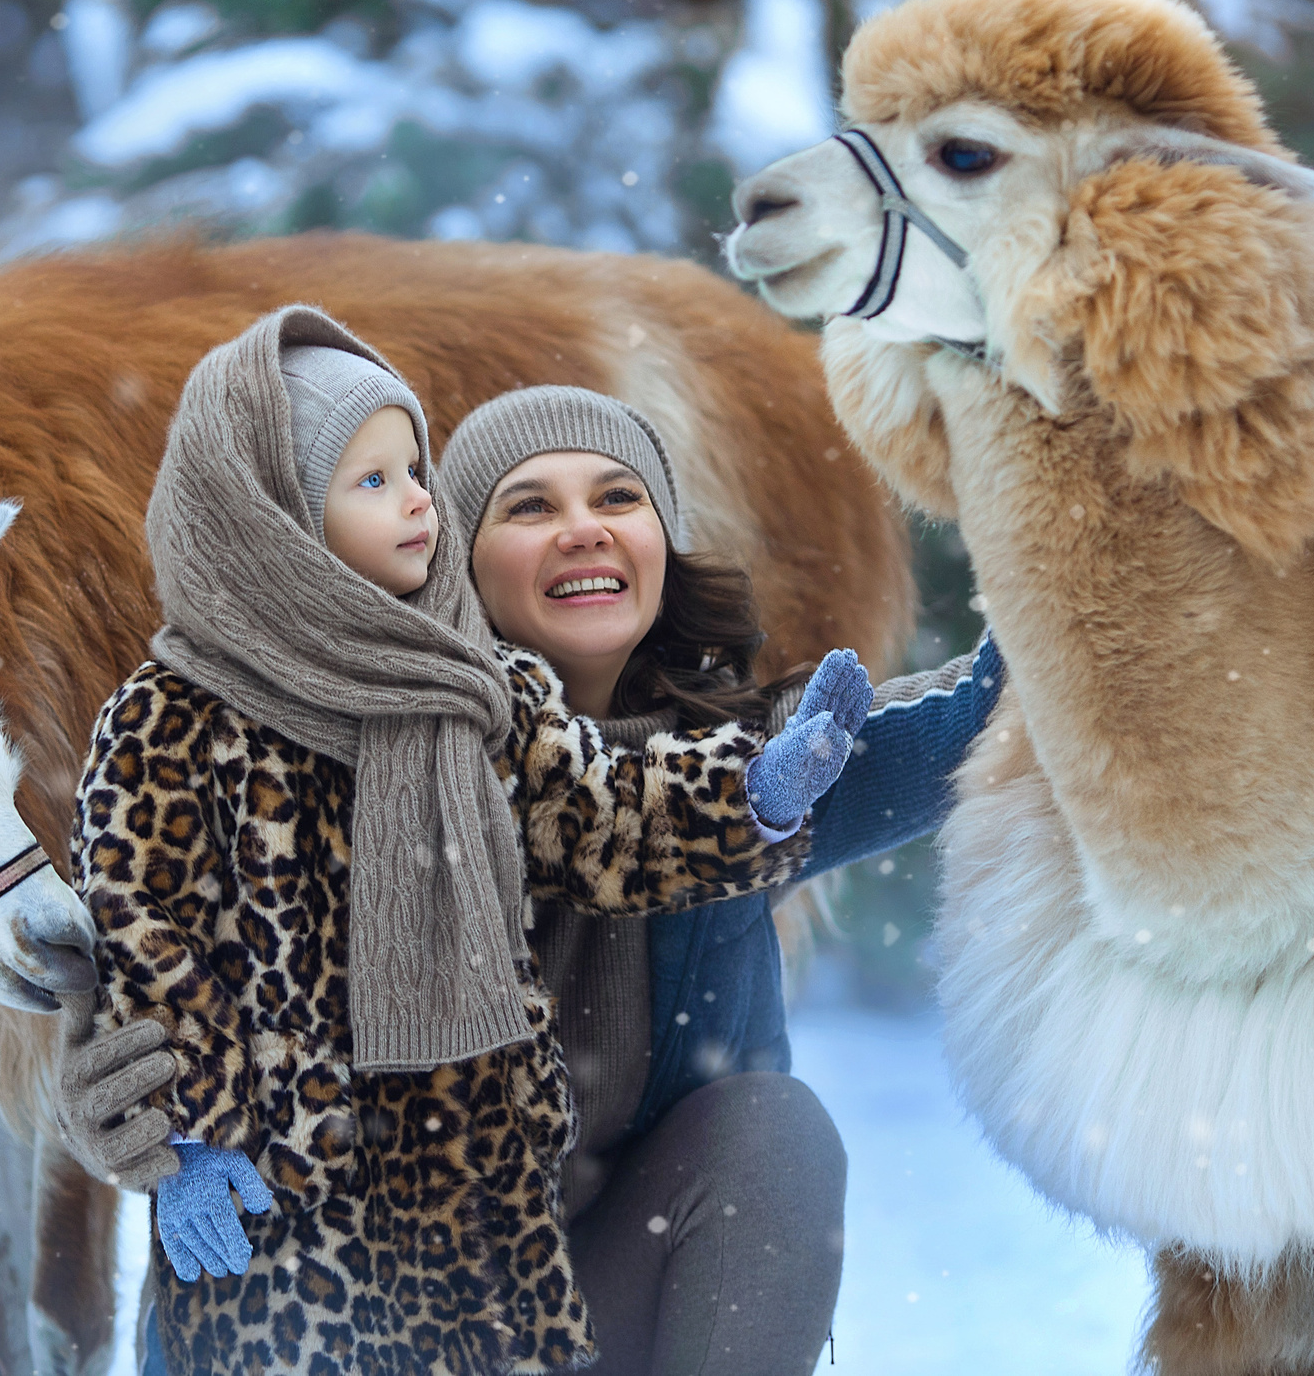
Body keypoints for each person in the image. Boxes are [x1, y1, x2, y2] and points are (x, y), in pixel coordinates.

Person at [65, 308, 871, 1376]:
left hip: (476, 1211)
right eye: (372, 481)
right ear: (272, 514)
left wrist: (755, 792)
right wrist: (190, 1134)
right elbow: (144, 943)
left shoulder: (471, 686)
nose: (415, 501)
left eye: (416, 469)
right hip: (288, 1215)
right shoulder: (170, 719)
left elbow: (602, 816)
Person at [430, 384, 1005, 1376]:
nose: (582, 529)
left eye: (618, 497)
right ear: (460, 565)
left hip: (604, 1308)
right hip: (393, 1318)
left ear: (661, 542)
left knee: (769, 1134)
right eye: (528, 505)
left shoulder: (744, 768)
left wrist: (1092, 518)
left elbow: (990, 706)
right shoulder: (391, 765)